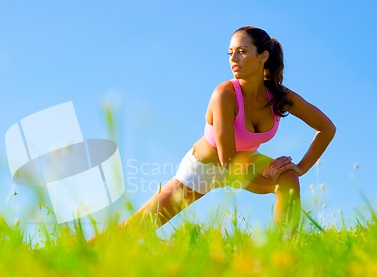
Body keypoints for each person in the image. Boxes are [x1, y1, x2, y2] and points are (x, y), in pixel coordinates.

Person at [94, 26, 336, 241]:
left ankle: (285, 247)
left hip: (242, 161)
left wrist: (300, 168)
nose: (234, 59)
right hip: (202, 170)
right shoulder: (224, 95)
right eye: (230, 53)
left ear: (263, 56)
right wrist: (267, 180)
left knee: (288, 179)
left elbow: (326, 128)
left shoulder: (280, 97)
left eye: (242, 51)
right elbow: (226, 162)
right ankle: (83, 251)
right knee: (138, 227)